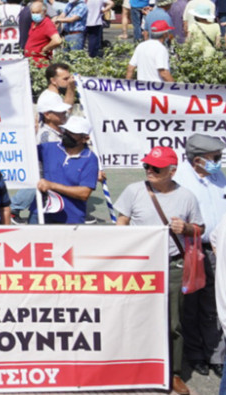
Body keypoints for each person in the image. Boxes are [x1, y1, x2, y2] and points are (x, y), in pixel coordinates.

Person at [116, 146, 204, 395]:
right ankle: (134, 367)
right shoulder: (134, 190)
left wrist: (186, 228)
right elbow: (122, 220)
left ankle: (173, 373)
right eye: (147, 165)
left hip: (172, 265)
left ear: (172, 171)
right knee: (134, 317)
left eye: (156, 168)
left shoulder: (186, 196)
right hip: (139, 265)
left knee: (173, 322)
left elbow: (200, 227)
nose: (149, 170)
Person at [173, 133, 226, 379]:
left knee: (215, 304)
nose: (218, 161)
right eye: (215, 157)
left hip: (218, 249)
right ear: (198, 160)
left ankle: (216, 355)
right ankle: (195, 354)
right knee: (191, 306)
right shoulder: (180, 181)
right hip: (191, 249)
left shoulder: (218, 176)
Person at [31, 116, 99, 225]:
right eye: (66, 131)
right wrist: (31, 134)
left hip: (70, 218)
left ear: (85, 138)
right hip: (41, 212)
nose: (66, 134)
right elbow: (25, 153)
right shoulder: (48, 148)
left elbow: (84, 193)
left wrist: (52, 186)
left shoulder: (90, 159)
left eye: (72, 133)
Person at [23, 0, 62, 65]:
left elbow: (57, 40)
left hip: (40, 62)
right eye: (33, 12)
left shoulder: (47, 24)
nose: (35, 15)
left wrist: (45, 49)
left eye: (37, 12)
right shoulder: (34, 23)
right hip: (31, 61)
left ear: (44, 11)